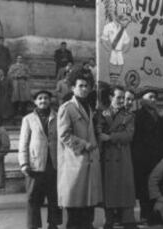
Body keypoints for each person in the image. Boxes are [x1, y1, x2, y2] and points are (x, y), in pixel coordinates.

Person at [57, 74, 102, 229]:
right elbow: (64, 135)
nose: (84, 89)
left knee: (88, 203)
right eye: (80, 85)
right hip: (75, 162)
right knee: (75, 203)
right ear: (72, 88)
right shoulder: (67, 108)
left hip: (89, 161)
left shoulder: (89, 107)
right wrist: (84, 144)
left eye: (86, 86)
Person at [18, 90, 62, 229]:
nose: (43, 101)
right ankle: (33, 225)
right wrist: (24, 163)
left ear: (50, 100)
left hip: (54, 165)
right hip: (35, 165)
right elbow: (23, 143)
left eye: (46, 98)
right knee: (33, 198)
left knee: (54, 197)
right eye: (40, 98)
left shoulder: (58, 117)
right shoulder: (28, 119)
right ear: (35, 102)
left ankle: (53, 224)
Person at [96, 86, 138, 229]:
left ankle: (128, 220)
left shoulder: (129, 116)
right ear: (110, 97)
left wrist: (109, 137)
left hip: (122, 156)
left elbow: (128, 136)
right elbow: (98, 132)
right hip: (106, 157)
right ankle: (109, 220)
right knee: (108, 190)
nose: (121, 100)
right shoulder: (102, 113)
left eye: (123, 97)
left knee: (125, 188)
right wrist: (108, 135)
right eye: (118, 97)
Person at [132, 89, 162, 224]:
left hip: (155, 156)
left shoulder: (157, 115)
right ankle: (145, 215)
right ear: (142, 100)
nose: (154, 99)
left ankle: (152, 214)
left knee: (154, 186)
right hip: (142, 157)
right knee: (144, 188)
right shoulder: (137, 115)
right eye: (150, 97)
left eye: (155, 97)